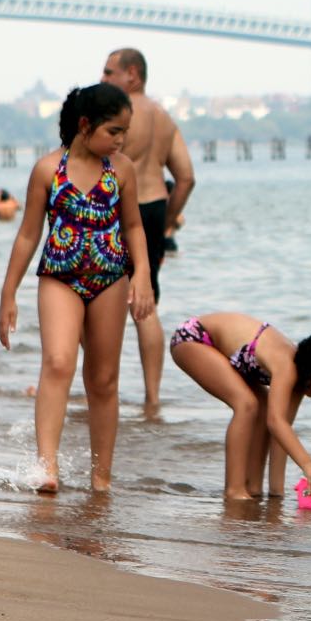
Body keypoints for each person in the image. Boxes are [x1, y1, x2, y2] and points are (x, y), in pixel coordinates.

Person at [0, 83, 155, 492]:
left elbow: (134, 226)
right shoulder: (48, 170)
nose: (121, 140)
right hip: (60, 277)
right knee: (58, 363)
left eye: (125, 131)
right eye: (114, 131)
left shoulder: (122, 170)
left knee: (103, 379)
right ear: (85, 125)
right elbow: (28, 234)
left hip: (110, 279)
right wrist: (8, 293)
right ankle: (46, 469)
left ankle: (101, 478)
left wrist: (142, 274)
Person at [169, 314, 311, 500]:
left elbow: (281, 432)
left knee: (263, 407)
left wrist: (277, 494)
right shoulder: (287, 365)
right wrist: (309, 466)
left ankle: (253, 488)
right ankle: (234, 490)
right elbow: (276, 422)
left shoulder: (300, 382)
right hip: (194, 337)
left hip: (225, 353)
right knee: (246, 404)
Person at [101, 47, 196, 412]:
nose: (103, 79)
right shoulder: (163, 116)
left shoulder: (114, 113)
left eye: (109, 72)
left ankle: (100, 387)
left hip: (116, 209)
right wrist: (168, 221)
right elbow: (186, 178)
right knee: (147, 302)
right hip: (154, 207)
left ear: (133, 74)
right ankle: (152, 399)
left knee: (99, 298)